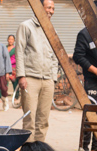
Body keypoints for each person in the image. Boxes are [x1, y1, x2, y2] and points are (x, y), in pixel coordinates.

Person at [16, 0, 58, 142]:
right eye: (48, 7)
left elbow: (55, 55)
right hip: (30, 79)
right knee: (29, 120)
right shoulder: (26, 26)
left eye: (53, 8)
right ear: (39, 8)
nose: (51, 11)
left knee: (43, 121)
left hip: (47, 81)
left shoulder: (52, 30)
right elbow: (19, 52)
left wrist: (53, 78)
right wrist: (21, 76)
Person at [73, 0, 97, 151]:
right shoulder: (84, 34)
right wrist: (94, 70)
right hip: (93, 82)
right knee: (90, 117)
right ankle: (85, 149)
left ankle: (96, 148)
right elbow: (78, 56)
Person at [3, 35, 19, 102]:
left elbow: (16, 58)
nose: (10, 41)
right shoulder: (4, 48)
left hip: (13, 68)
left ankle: (16, 96)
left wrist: (9, 62)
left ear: (14, 41)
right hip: (5, 68)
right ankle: (3, 96)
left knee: (15, 83)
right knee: (3, 83)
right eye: (9, 39)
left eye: (12, 39)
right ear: (7, 40)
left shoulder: (15, 49)